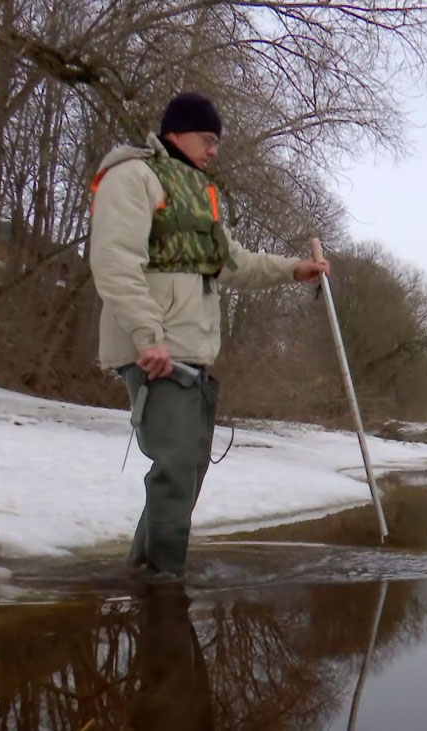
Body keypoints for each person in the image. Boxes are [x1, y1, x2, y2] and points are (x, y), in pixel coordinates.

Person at [89, 91, 329, 577]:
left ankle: (144, 574)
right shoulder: (132, 176)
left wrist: (294, 269)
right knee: (176, 469)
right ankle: (163, 585)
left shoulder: (199, 192)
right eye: (208, 138)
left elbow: (233, 262)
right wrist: (146, 335)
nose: (214, 149)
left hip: (190, 348)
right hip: (156, 350)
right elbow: (114, 261)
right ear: (177, 131)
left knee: (187, 468)